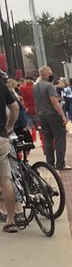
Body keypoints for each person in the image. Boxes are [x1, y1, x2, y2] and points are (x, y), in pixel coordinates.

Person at [33, 65, 71, 170]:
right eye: (49, 73)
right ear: (44, 74)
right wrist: (63, 116)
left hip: (42, 115)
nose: (51, 75)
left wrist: (37, 116)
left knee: (47, 139)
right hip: (52, 114)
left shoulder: (35, 87)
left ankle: (50, 163)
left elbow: (36, 103)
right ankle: (60, 163)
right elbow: (55, 102)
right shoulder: (49, 86)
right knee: (60, 137)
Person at [0, 72, 22, 233]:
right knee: (6, 179)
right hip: (1, 137)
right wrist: (9, 127)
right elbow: (15, 108)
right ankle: (11, 220)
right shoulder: (2, 87)